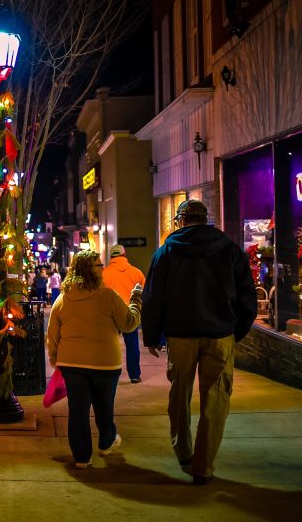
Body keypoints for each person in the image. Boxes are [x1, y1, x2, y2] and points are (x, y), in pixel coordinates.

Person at [142, 199, 256, 486]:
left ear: (180, 221)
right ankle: (203, 467)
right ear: (205, 220)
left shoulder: (166, 251)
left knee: (179, 394)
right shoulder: (230, 250)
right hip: (220, 335)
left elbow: (154, 296)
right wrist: (234, 330)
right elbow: (247, 297)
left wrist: (152, 334)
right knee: (216, 400)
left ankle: (183, 451)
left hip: (180, 334)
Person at [46, 249, 142, 469]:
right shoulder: (108, 296)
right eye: (99, 265)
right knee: (104, 407)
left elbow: (52, 335)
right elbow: (129, 323)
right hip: (105, 364)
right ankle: (106, 442)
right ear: (91, 270)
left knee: (78, 412)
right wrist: (136, 299)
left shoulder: (63, 298)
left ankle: (82, 457)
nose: (102, 269)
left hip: (72, 365)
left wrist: (55, 359)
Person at [102, 244, 147, 384]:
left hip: (111, 314)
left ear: (111, 257)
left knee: (109, 344)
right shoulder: (136, 272)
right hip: (130, 313)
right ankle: (134, 375)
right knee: (132, 345)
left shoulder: (104, 273)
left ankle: (108, 373)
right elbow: (144, 293)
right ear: (124, 254)